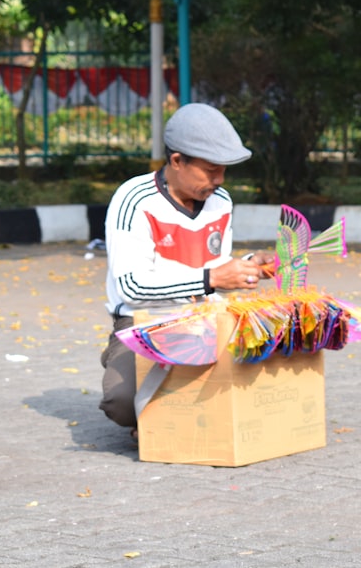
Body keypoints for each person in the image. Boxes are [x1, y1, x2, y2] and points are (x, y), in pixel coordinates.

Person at [99, 103, 274, 433]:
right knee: (121, 403)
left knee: (260, 371)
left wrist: (248, 266)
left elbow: (215, 268)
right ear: (177, 161)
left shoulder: (220, 201)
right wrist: (212, 278)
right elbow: (131, 287)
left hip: (204, 320)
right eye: (210, 170)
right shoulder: (134, 199)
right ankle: (121, 359)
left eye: (223, 170)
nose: (219, 180)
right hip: (144, 323)